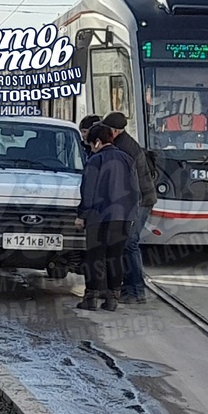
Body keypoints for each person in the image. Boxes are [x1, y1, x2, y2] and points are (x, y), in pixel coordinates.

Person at [75, 124, 140, 312]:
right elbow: (135, 190)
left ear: (97, 142)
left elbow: (88, 191)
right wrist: (131, 214)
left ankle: (91, 298)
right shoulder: (127, 159)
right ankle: (112, 298)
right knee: (115, 257)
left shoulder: (96, 160)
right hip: (123, 217)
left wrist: (82, 215)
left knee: (94, 257)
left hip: (99, 216)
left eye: (90, 144)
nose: (90, 148)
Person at [102, 111, 157, 304]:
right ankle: (130, 287)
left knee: (129, 242)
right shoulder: (122, 143)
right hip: (137, 199)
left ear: (115, 131)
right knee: (126, 242)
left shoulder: (124, 148)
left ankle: (136, 290)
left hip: (140, 200)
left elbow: (128, 182)